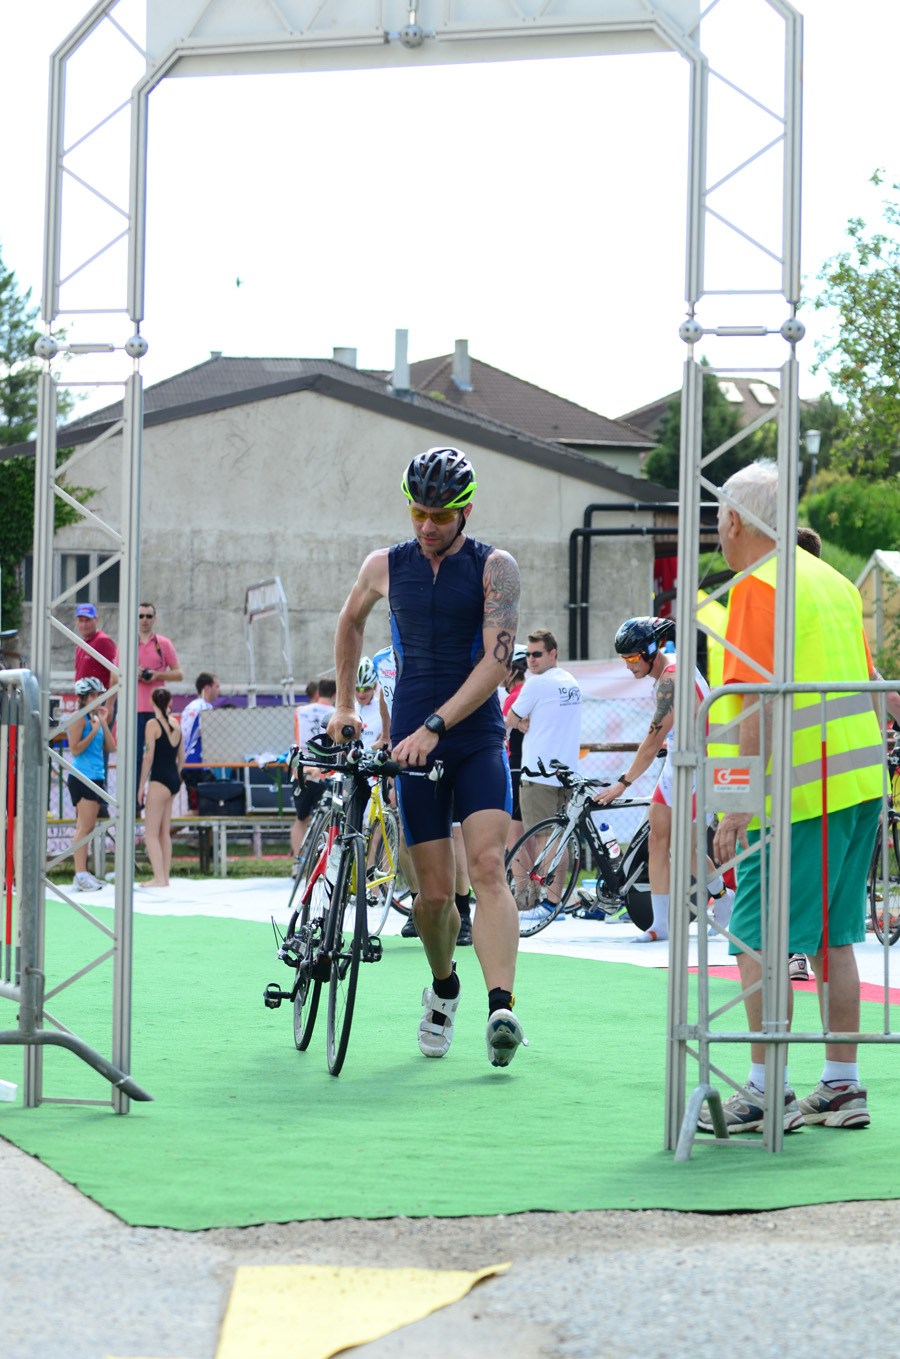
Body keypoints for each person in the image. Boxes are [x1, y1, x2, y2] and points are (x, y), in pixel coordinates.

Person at [327, 446, 524, 1067]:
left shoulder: (496, 567)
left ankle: (501, 1007)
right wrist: (345, 704)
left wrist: (438, 725)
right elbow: (350, 621)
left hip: (474, 737)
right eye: (418, 512)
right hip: (412, 744)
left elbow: (497, 661)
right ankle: (444, 989)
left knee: (488, 867)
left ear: (466, 511)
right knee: (435, 897)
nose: (427, 525)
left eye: (439, 515)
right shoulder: (384, 565)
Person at [701, 459, 881, 1133]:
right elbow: (869, 681)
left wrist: (737, 802)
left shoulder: (757, 586)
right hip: (856, 783)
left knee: (756, 936)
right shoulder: (832, 581)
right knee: (836, 939)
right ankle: (840, 1084)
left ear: (734, 520)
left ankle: (765, 1087)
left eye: (718, 520)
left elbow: (755, 701)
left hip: (798, 794)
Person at [594, 616, 732, 943]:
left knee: (687, 847)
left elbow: (652, 738)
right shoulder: (668, 669)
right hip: (678, 761)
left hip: (699, 765)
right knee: (658, 839)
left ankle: (723, 898)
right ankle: (660, 925)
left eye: (632, 658)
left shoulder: (670, 678)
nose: (628, 665)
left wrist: (623, 783)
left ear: (651, 650)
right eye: (623, 658)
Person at [507, 629, 582, 831]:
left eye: (537, 654)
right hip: (566, 773)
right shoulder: (571, 682)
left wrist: (520, 722)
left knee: (543, 839)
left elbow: (511, 718)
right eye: (528, 654)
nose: (531, 659)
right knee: (562, 836)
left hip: (538, 774)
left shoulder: (536, 683)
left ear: (552, 654)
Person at [65, 677, 116, 891]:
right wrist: (94, 731)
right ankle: (79, 874)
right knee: (84, 827)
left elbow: (111, 747)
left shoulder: (95, 717)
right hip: (82, 777)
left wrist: (103, 722)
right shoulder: (78, 718)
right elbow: (75, 749)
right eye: (93, 695)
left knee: (88, 827)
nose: (97, 699)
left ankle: (83, 873)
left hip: (97, 776)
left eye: (98, 695)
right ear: (84, 698)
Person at [136, 604, 183, 809]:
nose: (144, 619)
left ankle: (159, 802)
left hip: (158, 712)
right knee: (137, 758)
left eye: (148, 616)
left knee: (161, 758)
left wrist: (157, 675)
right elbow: (114, 676)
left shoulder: (163, 643)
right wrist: (134, 672)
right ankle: (136, 805)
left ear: (154, 618)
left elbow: (179, 674)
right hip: (136, 710)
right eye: (141, 616)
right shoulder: (129, 643)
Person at [137, 687, 184, 888]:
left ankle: (159, 878)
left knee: (150, 833)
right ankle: (164, 877)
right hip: (173, 781)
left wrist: (141, 786)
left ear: (152, 702)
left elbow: (148, 758)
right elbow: (181, 758)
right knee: (164, 831)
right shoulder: (176, 724)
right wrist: (175, 775)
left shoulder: (152, 724)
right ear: (169, 702)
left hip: (159, 781)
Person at [291, 677, 337, 858]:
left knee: (301, 819)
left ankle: (297, 861)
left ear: (318, 692)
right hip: (325, 771)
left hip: (302, 769)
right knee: (326, 820)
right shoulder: (336, 713)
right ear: (335, 694)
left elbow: (296, 735)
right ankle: (321, 861)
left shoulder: (300, 711)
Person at [180, 672, 221, 811]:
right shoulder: (206, 708)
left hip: (187, 763)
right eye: (217, 686)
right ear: (207, 688)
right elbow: (210, 735)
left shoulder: (189, 707)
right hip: (200, 764)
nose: (219, 690)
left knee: (196, 806)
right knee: (207, 807)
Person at [502, 645, 528, 852]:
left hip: (515, 766)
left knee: (515, 838)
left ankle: (520, 875)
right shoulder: (528, 692)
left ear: (511, 671)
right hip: (529, 767)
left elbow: (501, 735)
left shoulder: (514, 697)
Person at [74, 604, 118, 693]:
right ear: (76, 621)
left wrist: (109, 700)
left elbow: (115, 675)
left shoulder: (103, 641)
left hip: (100, 697)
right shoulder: (81, 645)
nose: (84, 624)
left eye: (88, 620)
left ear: (96, 620)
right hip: (84, 698)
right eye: (81, 620)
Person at [355, 657, 383, 749]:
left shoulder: (383, 710)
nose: (361, 694)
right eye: (357, 689)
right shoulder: (350, 709)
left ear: (375, 686)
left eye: (366, 689)